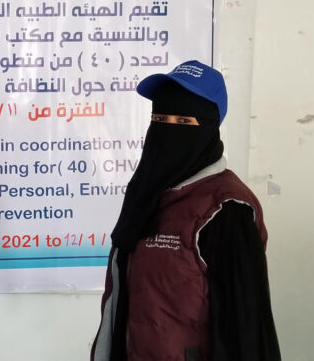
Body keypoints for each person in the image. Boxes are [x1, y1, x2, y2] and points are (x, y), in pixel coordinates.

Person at [91, 60, 280, 361]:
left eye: (182, 123)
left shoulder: (226, 209)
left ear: (209, 127)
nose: (166, 130)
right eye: (160, 117)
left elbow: (245, 325)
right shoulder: (148, 195)